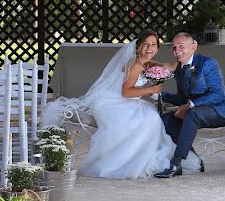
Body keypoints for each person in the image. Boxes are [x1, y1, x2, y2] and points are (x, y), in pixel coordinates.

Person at [43, 30, 200, 179]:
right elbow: (126, 92)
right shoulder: (136, 65)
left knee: (152, 117)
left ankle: (138, 155)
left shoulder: (147, 62)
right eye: (145, 44)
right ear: (137, 47)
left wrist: (181, 57)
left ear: (158, 48)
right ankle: (129, 160)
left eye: (153, 44)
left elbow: (168, 67)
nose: (149, 48)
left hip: (128, 101)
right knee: (147, 120)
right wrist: (150, 89)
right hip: (115, 102)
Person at [155, 32, 225, 178]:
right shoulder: (180, 70)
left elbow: (218, 93)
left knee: (191, 114)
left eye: (181, 46)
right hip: (197, 110)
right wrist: (160, 95)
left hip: (220, 108)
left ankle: (175, 163)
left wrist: (191, 105)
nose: (177, 51)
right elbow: (183, 98)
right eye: (174, 47)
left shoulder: (208, 63)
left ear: (193, 46)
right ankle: (194, 162)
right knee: (167, 119)